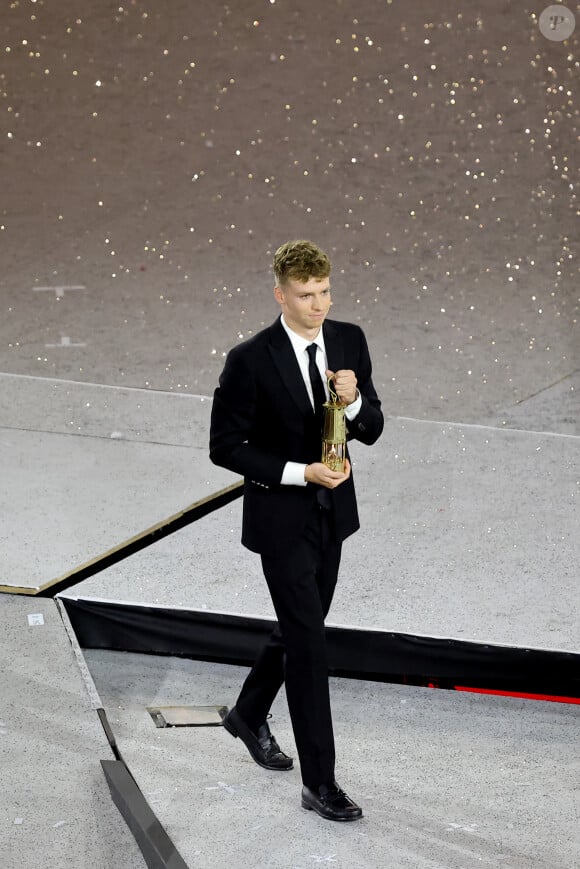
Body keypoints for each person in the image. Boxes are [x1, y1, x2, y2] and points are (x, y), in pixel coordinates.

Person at [209, 240, 383, 821]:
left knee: (300, 625)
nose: (319, 306)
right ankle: (320, 783)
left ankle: (248, 712)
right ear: (280, 294)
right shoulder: (250, 359)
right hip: (281, 521)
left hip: (333, 516)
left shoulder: (350, 340)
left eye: (325, 292)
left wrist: (354, 402)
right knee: (309, 645)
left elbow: (375, 428)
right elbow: (224, 446)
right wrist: (298, 472)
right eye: (306, 295)